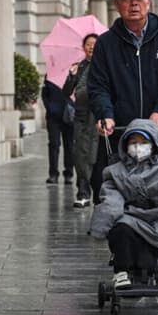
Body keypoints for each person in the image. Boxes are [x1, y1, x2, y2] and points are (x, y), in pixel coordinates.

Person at [87, 0, 158, 203]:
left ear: (148, 1)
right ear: (116, 4)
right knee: (114, 192)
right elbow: (98, 85)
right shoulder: (106, 43)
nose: (133, 3)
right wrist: (105, 115)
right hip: (120, 135)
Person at [89, 118, 158, 289]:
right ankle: (121, 271)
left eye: (143, 142)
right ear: (125, 146)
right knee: (121, 230)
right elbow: (111, 197)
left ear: (154, 144)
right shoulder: (115, 171)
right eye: (133, 142)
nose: (138, 147)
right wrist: (101, 224)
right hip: (131, 214)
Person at [62, 33, 99, 207]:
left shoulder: (104, 67)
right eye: (88, 44)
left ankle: (97, 191)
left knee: (95, 154)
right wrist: (71, 76)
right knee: (79, 154)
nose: (91, 47)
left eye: (94, 44)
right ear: (83, 48)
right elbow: (66, 92)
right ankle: (83, 191)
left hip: (98, 116)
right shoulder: (79, 67)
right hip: (81, 116)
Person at [41, 76, 74, 184]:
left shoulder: (73, 73)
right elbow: (44, 94)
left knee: (69, 145)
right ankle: (53, 174)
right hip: (53, 117)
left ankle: (68, 174)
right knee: (54, 144)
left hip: (68, 115)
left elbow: (78, 93)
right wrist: (50, 108)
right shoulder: (50, 75)